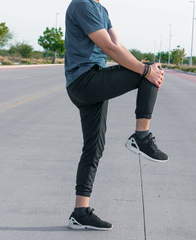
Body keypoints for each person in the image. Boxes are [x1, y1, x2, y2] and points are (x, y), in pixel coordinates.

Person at [65, 0, 168, 231]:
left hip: (89, 82)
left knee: (94, 147)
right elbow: (109, 48)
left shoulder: (101, 9)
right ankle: (141, 137)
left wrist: (144, 67)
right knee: (149, 71)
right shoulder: (82, 4)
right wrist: (145, 70)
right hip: (85, 80)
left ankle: (80, 212)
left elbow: (117, 44)